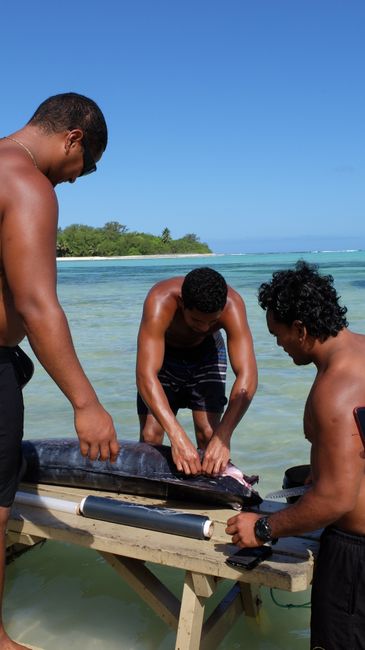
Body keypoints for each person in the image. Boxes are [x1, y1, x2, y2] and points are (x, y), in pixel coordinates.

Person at [0, 92, 120, 650]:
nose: (76, 180)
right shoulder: (28, 184)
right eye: (85, 166)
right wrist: (86, 403)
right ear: (73, 137)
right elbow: (36, 305)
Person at [226, 260, 365, 650]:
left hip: (356, 557)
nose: (277, 344)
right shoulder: (360, 352)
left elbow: (337, 498)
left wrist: (262, 528)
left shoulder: (335, 390)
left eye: (278, 334)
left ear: (301, 330)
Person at [136, 267, 257, 476]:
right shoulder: (160, 299)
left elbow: (248, 375)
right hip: (165, 355)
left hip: (207, 354)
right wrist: (177, 437)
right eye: (197, 320)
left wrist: (224, 436)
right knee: (150, 436)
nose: (204, 327)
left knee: (210, 437)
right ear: (182, 303)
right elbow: (145, 375)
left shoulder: (233, 305)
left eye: (212, 322)